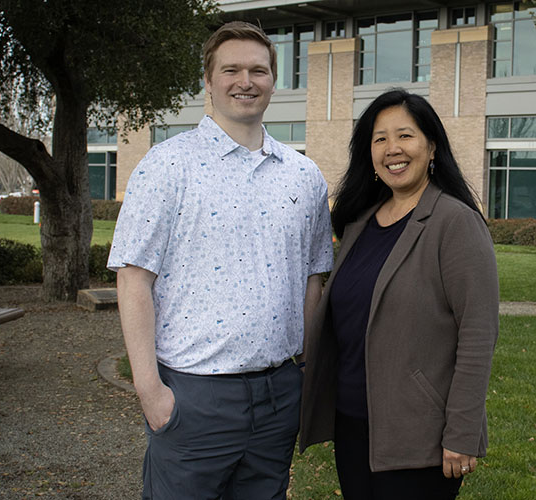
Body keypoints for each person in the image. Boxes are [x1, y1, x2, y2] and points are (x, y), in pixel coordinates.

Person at [107, 21, 333, 500]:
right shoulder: (166, 167)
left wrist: (307, 370)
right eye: (230, 69)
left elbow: (315, 280)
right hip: (194, 398)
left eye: (258, 70)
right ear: (208, 82)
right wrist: (151, 392)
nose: (245, 81)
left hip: (279, 395)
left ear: (274, 80)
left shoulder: (304, 176)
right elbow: (133, 281)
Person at [299, 89, 500, 499]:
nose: (393, 149)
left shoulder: (455, 223)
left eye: (405, 136)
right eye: (380, 139)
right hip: (353, 424)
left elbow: (478, 334)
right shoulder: (359, 224)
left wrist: (461, 433)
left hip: (420, 435)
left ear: (432, 147)